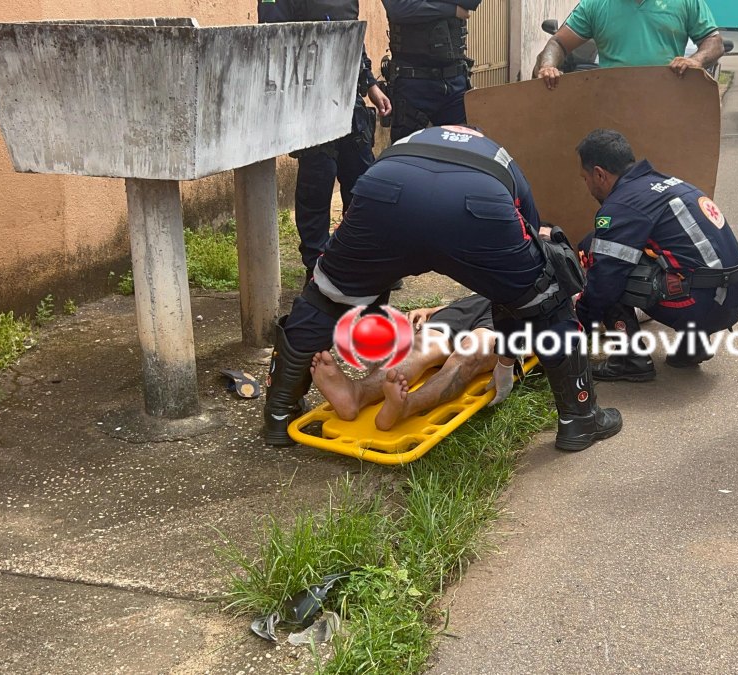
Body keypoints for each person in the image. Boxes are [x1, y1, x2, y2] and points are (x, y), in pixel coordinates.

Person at [264, 125, 622, 451]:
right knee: (546, 301)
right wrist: (509, 356)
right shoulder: (503, 162)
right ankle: (579, 420)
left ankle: (280, 412)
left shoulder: (416, 141)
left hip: (384, 196)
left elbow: (344, 261)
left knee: (326, 296)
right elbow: (534, 282)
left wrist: (369, 286)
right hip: (474, 209)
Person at [574, 129, 738, 382]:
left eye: (585, 178)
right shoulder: (665, 182)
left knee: (600, 262)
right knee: (665, 259)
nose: (587, 185)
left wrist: (579, 323)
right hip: (737, 295)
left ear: (600, 174)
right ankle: (693, 344)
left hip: (707, 306)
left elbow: (604, 283)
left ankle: (630, 359)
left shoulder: (622, 205)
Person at [258, 0, 394, 283]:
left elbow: (353, 42)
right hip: (310, 104)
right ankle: (316, 265)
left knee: (361, 182)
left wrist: (371, 87)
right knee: (317, 184)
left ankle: (358, 256)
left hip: (349, 101)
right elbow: (273, 40)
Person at [309, 295, 499, 431]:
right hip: (478, 300)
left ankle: (407, 405)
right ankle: (357, 393)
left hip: (515, 313)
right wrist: (432, 310)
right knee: (420, 347)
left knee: (470, 353)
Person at [532, 0, 724, 89]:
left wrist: (696, 61)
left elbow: (714, 42)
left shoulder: (685, 2)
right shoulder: (595, 5)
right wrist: (548, 65)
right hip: (613, 107)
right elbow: (558, 42)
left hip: (667, 104)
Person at [380, 0, 479, 142]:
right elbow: (399, 9)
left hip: (455, 83)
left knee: (460, 155)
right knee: (411, 156)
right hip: (412, 85)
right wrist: (452, 10)